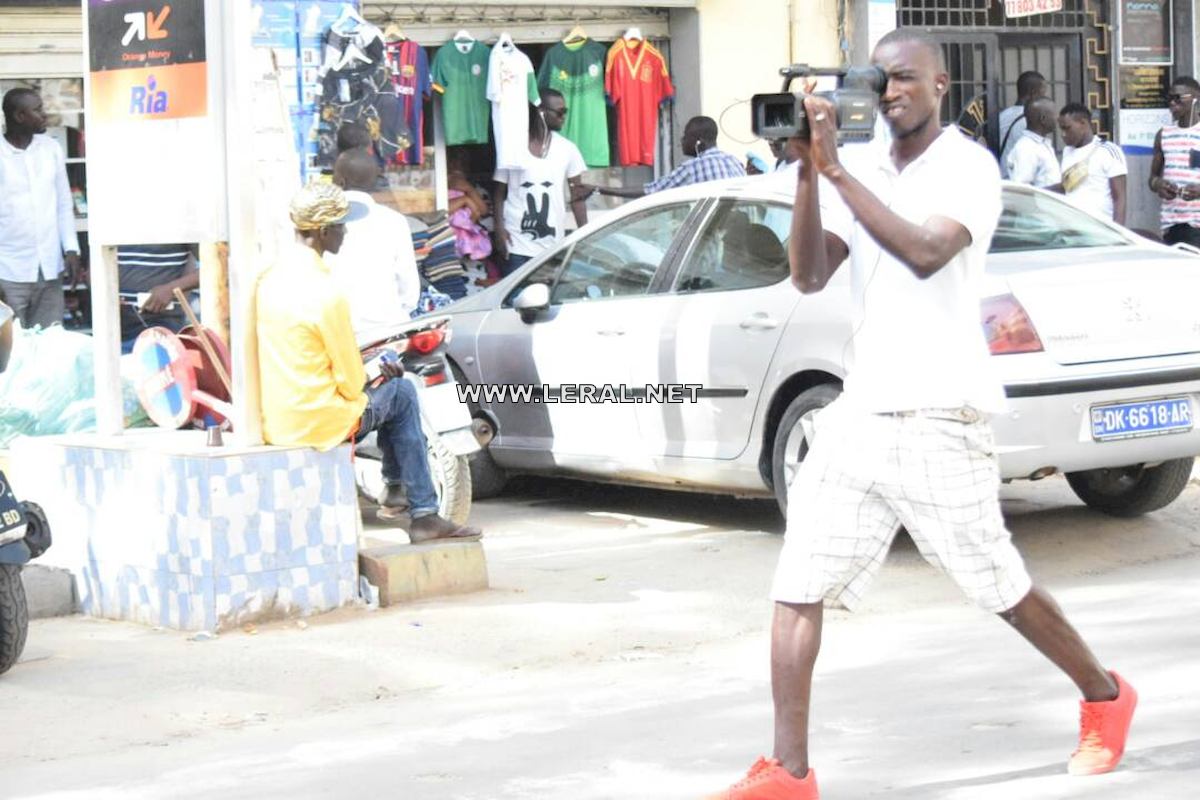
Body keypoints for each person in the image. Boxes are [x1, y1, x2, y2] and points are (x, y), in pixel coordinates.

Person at [709, 29, 1135, 800]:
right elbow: (807, 275)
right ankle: (789, 773)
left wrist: (836, 167)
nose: (892, 90)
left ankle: (1106, 696)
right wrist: (809, 175)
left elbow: (927, 250)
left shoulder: (967, 166)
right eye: (882, 79)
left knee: (998, 587)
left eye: (907, 78)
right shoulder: (860, 166)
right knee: (797, 583)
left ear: (942, 85)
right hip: (861, 411)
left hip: (942, 410)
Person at [256, 181, 480, 543]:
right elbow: (349, 383)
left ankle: (396, 489)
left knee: (394, 390)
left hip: (279, 414)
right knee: (402, 391)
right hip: (319, 421)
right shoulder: (325, 292)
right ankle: (419, 509)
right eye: (342, 226)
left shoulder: (268, 280)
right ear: (324, 231)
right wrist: (378, 371)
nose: (345, 232)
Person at [0, 88, 81, 330]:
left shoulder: (51, 149)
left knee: (49, 348)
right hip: (8, 271)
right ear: (19, 116)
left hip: (49, 269)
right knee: (11, 356)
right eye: (37, 110)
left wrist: (72, 250)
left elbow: (64, 204)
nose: (44, 115)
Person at [327, 149, 421, 345]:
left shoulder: (324, 222)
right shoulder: (394, 221)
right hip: (388, 332)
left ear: (341, 182)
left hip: (338, 336)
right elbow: (409, 291)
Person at [491, 89, 588, 276]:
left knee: (544, 300)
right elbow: (498, 192)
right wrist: (499, 229)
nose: (563, 117)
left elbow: (578, 196)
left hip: (552, 246)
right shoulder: (513, 146)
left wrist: (585, 235)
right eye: (560, 112)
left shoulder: (568, 149)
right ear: (542, 111)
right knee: (514, 301)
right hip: (516, 243)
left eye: (565, 112)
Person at [589, 116, 745, 198]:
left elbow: (651, 190)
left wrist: (601, 189)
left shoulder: (693, 168)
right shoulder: (734, 162)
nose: (682, 140)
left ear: (699, 141)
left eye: (686, 136)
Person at [116, 244, 200, 353]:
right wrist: (107, 294)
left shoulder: (184, 227)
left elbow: (216, 267)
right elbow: (93, 267)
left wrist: (171, 288)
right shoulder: (111, 227)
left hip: (163, 327)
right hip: (115, 329)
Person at [1149, 76, 1200, 246]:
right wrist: (1159, 185)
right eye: (1169, 98)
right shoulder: (1163, 134)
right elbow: (1152, 179)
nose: (1172, 103)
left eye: (1178, 98)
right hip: (1171, 223)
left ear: (1195, 99)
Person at [1058, 102, 1128, 225]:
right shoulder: (1067, 152)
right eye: (1061, 129)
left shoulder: (1108, 150)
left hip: (1099, 228)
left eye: (1067, 128)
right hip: (1071, 227)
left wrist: (1119, 232)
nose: (1063, 134)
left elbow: (1119, 198)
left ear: (1083, 123)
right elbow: (1067, 187)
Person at [1005, 96, 1062, 189]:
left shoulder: (1041, 144)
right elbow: (1022, 191)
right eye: (1055, 115)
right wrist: (1060, 188)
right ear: (1043, 119)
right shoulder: (1026, 148)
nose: (1058, 119)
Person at [998, 70, 1047, 177]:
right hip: (1018, 184)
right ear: (1033, 92)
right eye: (1043, 94)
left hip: (1001, 177)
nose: (1044, 99)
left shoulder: (1002, 116)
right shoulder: (1030, 120)